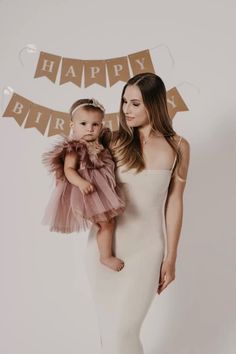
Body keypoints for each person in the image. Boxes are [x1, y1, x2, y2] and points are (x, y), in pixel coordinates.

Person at [84, 73, 190, 354]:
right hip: (104, 249)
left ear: (153, 105)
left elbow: (175, 202)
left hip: (147, 250)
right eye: (124, 102)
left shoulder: (178, 146)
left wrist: (171, 257)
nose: (125, 110)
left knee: (124, 332)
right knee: (109, 334)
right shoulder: (114, 140)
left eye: (134, 104)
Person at [41, 98, 126, 272]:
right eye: (84, 123)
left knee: (108, 222)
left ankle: (105, 252)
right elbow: (69, 170)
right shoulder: (75, 147)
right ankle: (106, 257)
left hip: (100, 191)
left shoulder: (99, 143)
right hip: (87, 192)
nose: (90, 128)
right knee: (107, 224)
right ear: (72, 124)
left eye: (95, 124)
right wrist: (81, 182)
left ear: (101, 126)